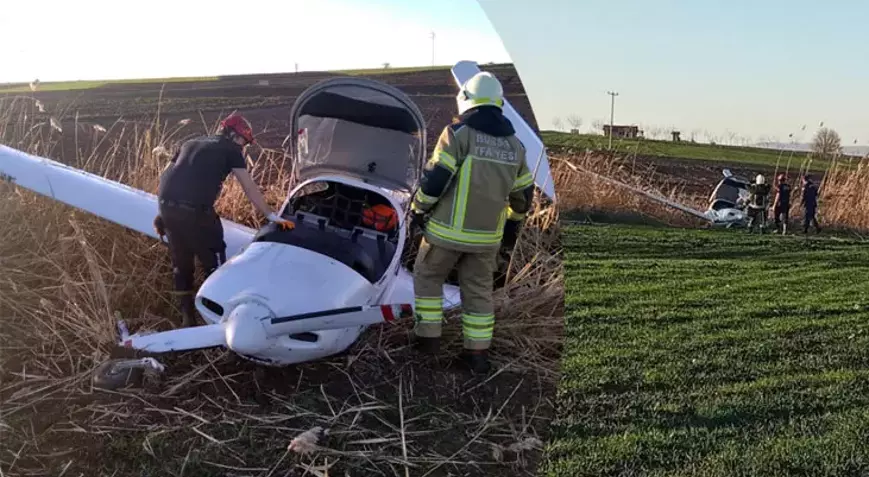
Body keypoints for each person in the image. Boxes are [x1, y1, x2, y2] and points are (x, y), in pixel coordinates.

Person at [409, 71, 535, 374]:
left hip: (445, 235)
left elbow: (436, 178)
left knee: (427, 278)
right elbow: (524, 196)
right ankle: (476, 355)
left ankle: (427, 343)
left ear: (466, 100)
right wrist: (511, 227)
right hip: (486, 240)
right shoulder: (515, 147)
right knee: (478, 292)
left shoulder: (457, 135)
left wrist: (417, 209)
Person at [153, 113, 294, 327]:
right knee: (215, 257)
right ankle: (218, 317)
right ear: (234, 135)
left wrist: (162, 213)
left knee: (181, 264)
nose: (243, 147)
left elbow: (167, 176)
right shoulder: (231, 149)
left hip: (166, 206)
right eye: (244, 141)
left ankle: (187, 318)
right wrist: (270, 215)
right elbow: (248, 187)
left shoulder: (191, 141)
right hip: (195, 212)